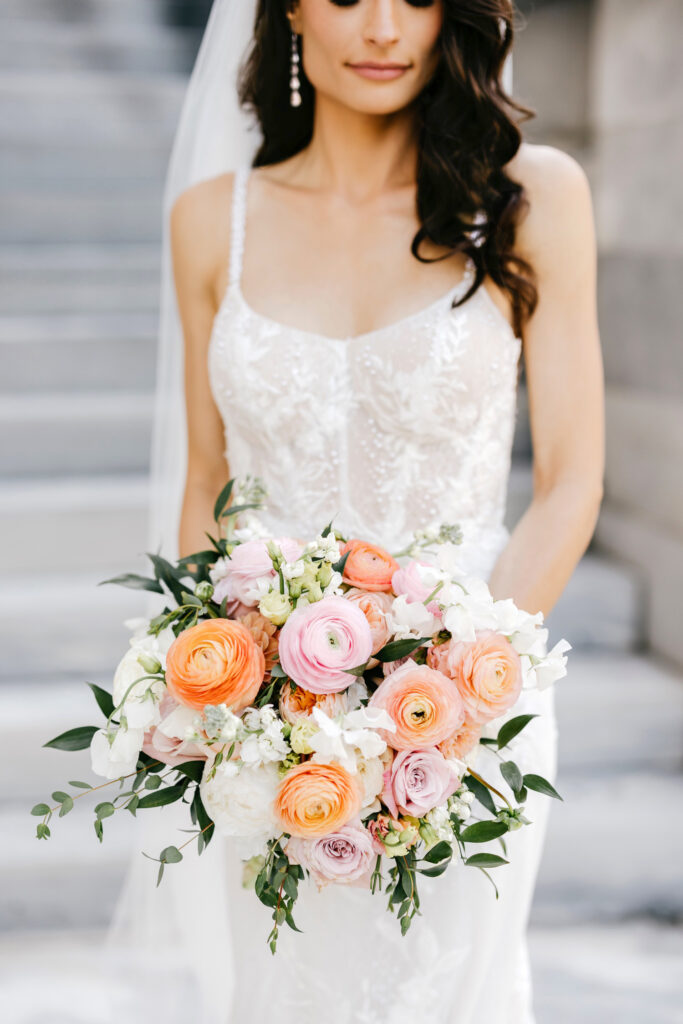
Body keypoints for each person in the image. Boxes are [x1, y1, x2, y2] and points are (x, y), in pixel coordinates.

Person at [109, 2, 605, 1022]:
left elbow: (568, 480)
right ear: (287, 8)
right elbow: (207, 484)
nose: (381, 26)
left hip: (464, 725)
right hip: (273, 740)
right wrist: (226, 697)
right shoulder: (211, 220)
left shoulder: (529, 198)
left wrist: (456, 701)